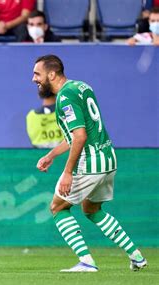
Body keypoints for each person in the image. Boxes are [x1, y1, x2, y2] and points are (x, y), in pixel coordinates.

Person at [32, 55, 148, 272]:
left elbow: (80, 136)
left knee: (57, 207)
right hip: (108, 158)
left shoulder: (64, 97)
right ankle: (137, 256)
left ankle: (86, 261)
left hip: (91, 162)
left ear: (52, 74)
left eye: (37, 73)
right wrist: (52, 155)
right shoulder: (81, 86)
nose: (33, 79)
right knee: (91, 208)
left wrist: (67, 172)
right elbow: (76, 135)